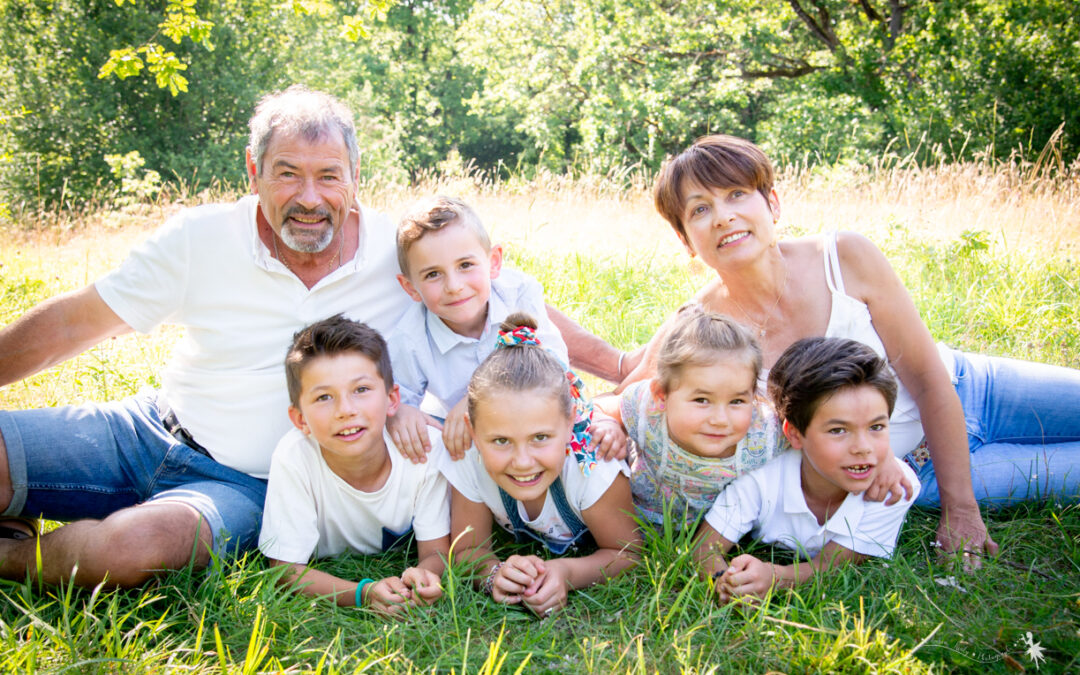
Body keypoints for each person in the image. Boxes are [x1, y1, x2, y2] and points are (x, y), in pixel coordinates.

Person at [627, 134, 1080, 563]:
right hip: (906, 473)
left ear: (773, 203)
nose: (723, 216)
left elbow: (924, 378)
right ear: (686, 240)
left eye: (737, 194)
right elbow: (627, 395)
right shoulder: (699, 328)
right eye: (700, 209)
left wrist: (963, 512)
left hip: (971, 388)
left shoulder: (843, 257)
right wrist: (609, 430)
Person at [441, 313, 640, 617]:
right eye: (501, 441)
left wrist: (567, 572)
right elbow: (468, 550)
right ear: (473, 432)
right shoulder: (470, 460)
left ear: (571, 421)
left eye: (541, 437)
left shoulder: (592, 467)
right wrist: (494, 573)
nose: (522, 462)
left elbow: (628, 553)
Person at [697, 337, 920, 604]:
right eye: (838, 430)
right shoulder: (760, 478)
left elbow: (831, 566)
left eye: (876, 427)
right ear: (794, 434)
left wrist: (774, 576)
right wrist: (727, 582)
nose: (863, 448)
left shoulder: (895, 489)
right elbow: (704, 549)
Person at [259, 315, 450, 615]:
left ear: (391, 399)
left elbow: (436, 551)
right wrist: (363, 593)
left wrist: (423, 577)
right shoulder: (293, 457)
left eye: (361, 390)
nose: (345, 410)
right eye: (324, 397)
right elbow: (286, 571)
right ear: (299, 419)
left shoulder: (423, 449)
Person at [386, 196, 568, 461]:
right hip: (470, 441)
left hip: (538, 424)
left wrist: (478, 401)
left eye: (465, 265)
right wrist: (400, 413)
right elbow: (397, 394)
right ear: (410, 287)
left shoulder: (518, 294)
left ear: (493, 261)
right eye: (433, 274)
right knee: (417, 444)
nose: (454, 285)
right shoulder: (411, 337)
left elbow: (556, 365)